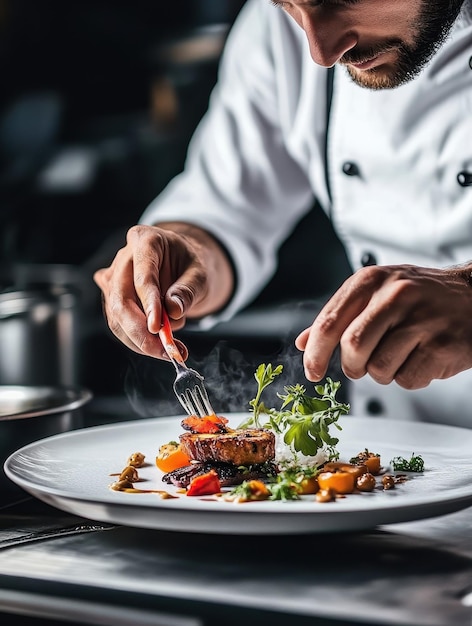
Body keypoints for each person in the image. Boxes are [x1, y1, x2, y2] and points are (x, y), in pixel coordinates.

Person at [94, 0, 472, 427]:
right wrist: (187, 250)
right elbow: (229, 203)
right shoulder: (275, 31)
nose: (320, 51)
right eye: (287, 4)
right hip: (407, 455)